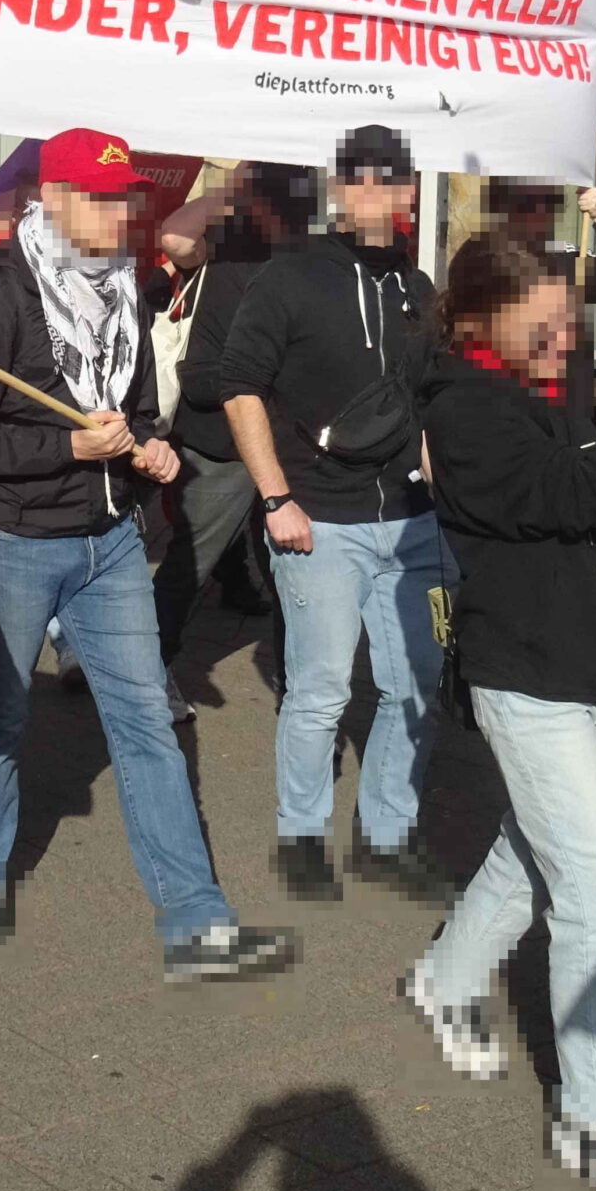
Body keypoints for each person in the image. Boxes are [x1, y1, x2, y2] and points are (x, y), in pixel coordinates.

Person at [0, 126, 293, 980]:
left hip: (109, 546)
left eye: (126, 197)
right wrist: (68, 453)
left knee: (147, 729)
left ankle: (195, 923)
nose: (121, 212)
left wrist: (148, 446)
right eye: (100, 198)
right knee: (0, 718)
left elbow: (132, 409)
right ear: (54, 202)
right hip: (15, 547)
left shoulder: (126, 292)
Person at [400, 234, 596, 1191]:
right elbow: (577, 494)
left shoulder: (559, 387)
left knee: (531, 853)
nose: (565, 335)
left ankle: (442, 978)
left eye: (571, 317)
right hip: (524, 680)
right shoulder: (462, 406)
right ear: (480, 317)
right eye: (546, 320)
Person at [218, 124, 452, 907]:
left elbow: (424, 403)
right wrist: (276, 497)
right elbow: (240, 386)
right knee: (321, 692)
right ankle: (302, 836)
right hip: (318, 521)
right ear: (347, 190)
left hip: (412, 521)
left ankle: (388, 835)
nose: (401, 198)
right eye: (384, 183)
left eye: (406, 183)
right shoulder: (289, 280)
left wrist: (441, 492)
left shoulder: (415, 288)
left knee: (414, 684)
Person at [151, 164, 311, 683]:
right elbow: (175, 235)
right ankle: (144, 675)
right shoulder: (223, 246)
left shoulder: (305, 257)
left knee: (289, 572)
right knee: (192, 563)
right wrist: (239, 177)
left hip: (279, 430)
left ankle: (299, 694)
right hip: (219, 428)